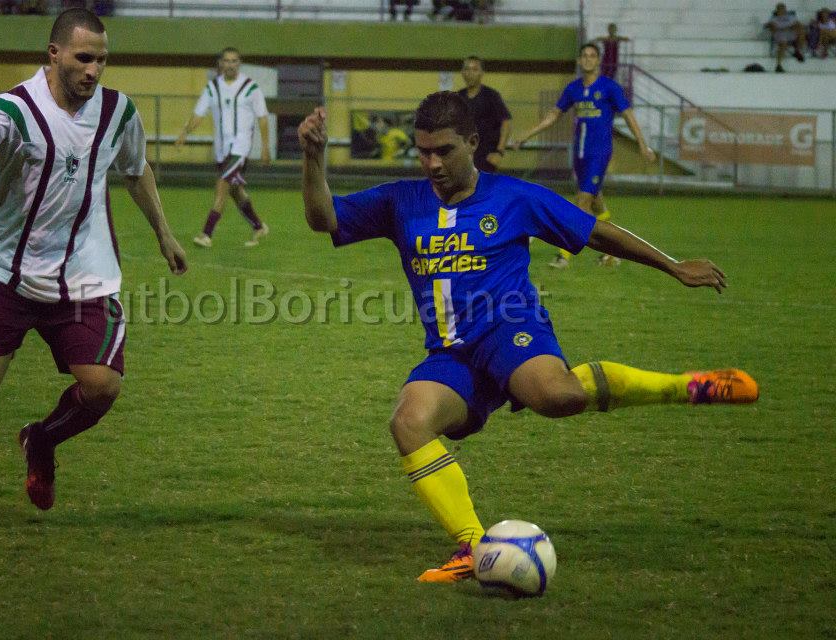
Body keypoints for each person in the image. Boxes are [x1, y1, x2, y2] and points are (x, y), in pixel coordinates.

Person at [297, 91, 758, 584]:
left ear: (473, 143)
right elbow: (324, 219)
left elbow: (595, 233)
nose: (432, 163)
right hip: (453, 354)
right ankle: (474, 551)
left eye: (444, 151)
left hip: (510, 329)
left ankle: (686, 387)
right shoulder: (399, 201)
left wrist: (672, 265)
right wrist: (313, 157)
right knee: (409, 421)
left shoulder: (514, 197)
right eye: (423, 151)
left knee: (558, 397)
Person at [0, 8, 188, 534]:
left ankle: (40, 440)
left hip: (84, 276)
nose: (93, 70)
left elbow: (136, 171)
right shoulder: (15, 110)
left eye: (102, 60)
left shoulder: (116, 111)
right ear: (54, 54)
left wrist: (164, 233)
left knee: (103, 387)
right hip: (7, 272)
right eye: (83, 58)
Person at [513, 42, 655, 269]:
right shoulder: (574, 89)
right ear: (580, 61)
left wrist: (643, 145)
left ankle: (563, 256)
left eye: (592, 56)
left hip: (598, 154)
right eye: (584, 56)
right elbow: (554, 115)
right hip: (579, 155)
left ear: (598, 60)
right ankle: (613, 253)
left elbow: (628, 115)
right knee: (597, 205)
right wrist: (527, 135)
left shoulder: (609, 87)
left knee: (582, 202)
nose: (588, 59)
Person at [175, 47, 271, 249]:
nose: (230, 64)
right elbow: (199, 114)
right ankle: (259, 226)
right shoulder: (212, 88)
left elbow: (262, 118)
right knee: (235, 191)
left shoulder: (250, 87)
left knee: (222, 185)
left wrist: (265, 147)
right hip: (221, 149)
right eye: (227, 61)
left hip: (241, 148)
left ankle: (206, 233)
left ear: (239, 63)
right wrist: (185, 131)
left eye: (234, 61)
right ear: (220, 63)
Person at [457, 56, 511, 174]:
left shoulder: (491, 96)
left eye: (474, 70)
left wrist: (499, 152)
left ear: (481, 73)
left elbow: (505, 123)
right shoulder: (458, 97)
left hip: (486, 158)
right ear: (462, 72)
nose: (470, 73)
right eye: (467, 69)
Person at [765, 3, 806, 72]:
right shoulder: (774, 18)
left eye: (783, 9)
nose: (782, 10)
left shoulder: (791, 17)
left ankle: (798, 51)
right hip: (780, 34)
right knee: (783, 42)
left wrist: (791, 27)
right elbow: (771, 26)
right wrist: (781, 28)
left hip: (790, 33)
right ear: (777, 10)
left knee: (802, 32)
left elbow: (798, 24)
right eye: (780, 9)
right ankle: (779, 65)